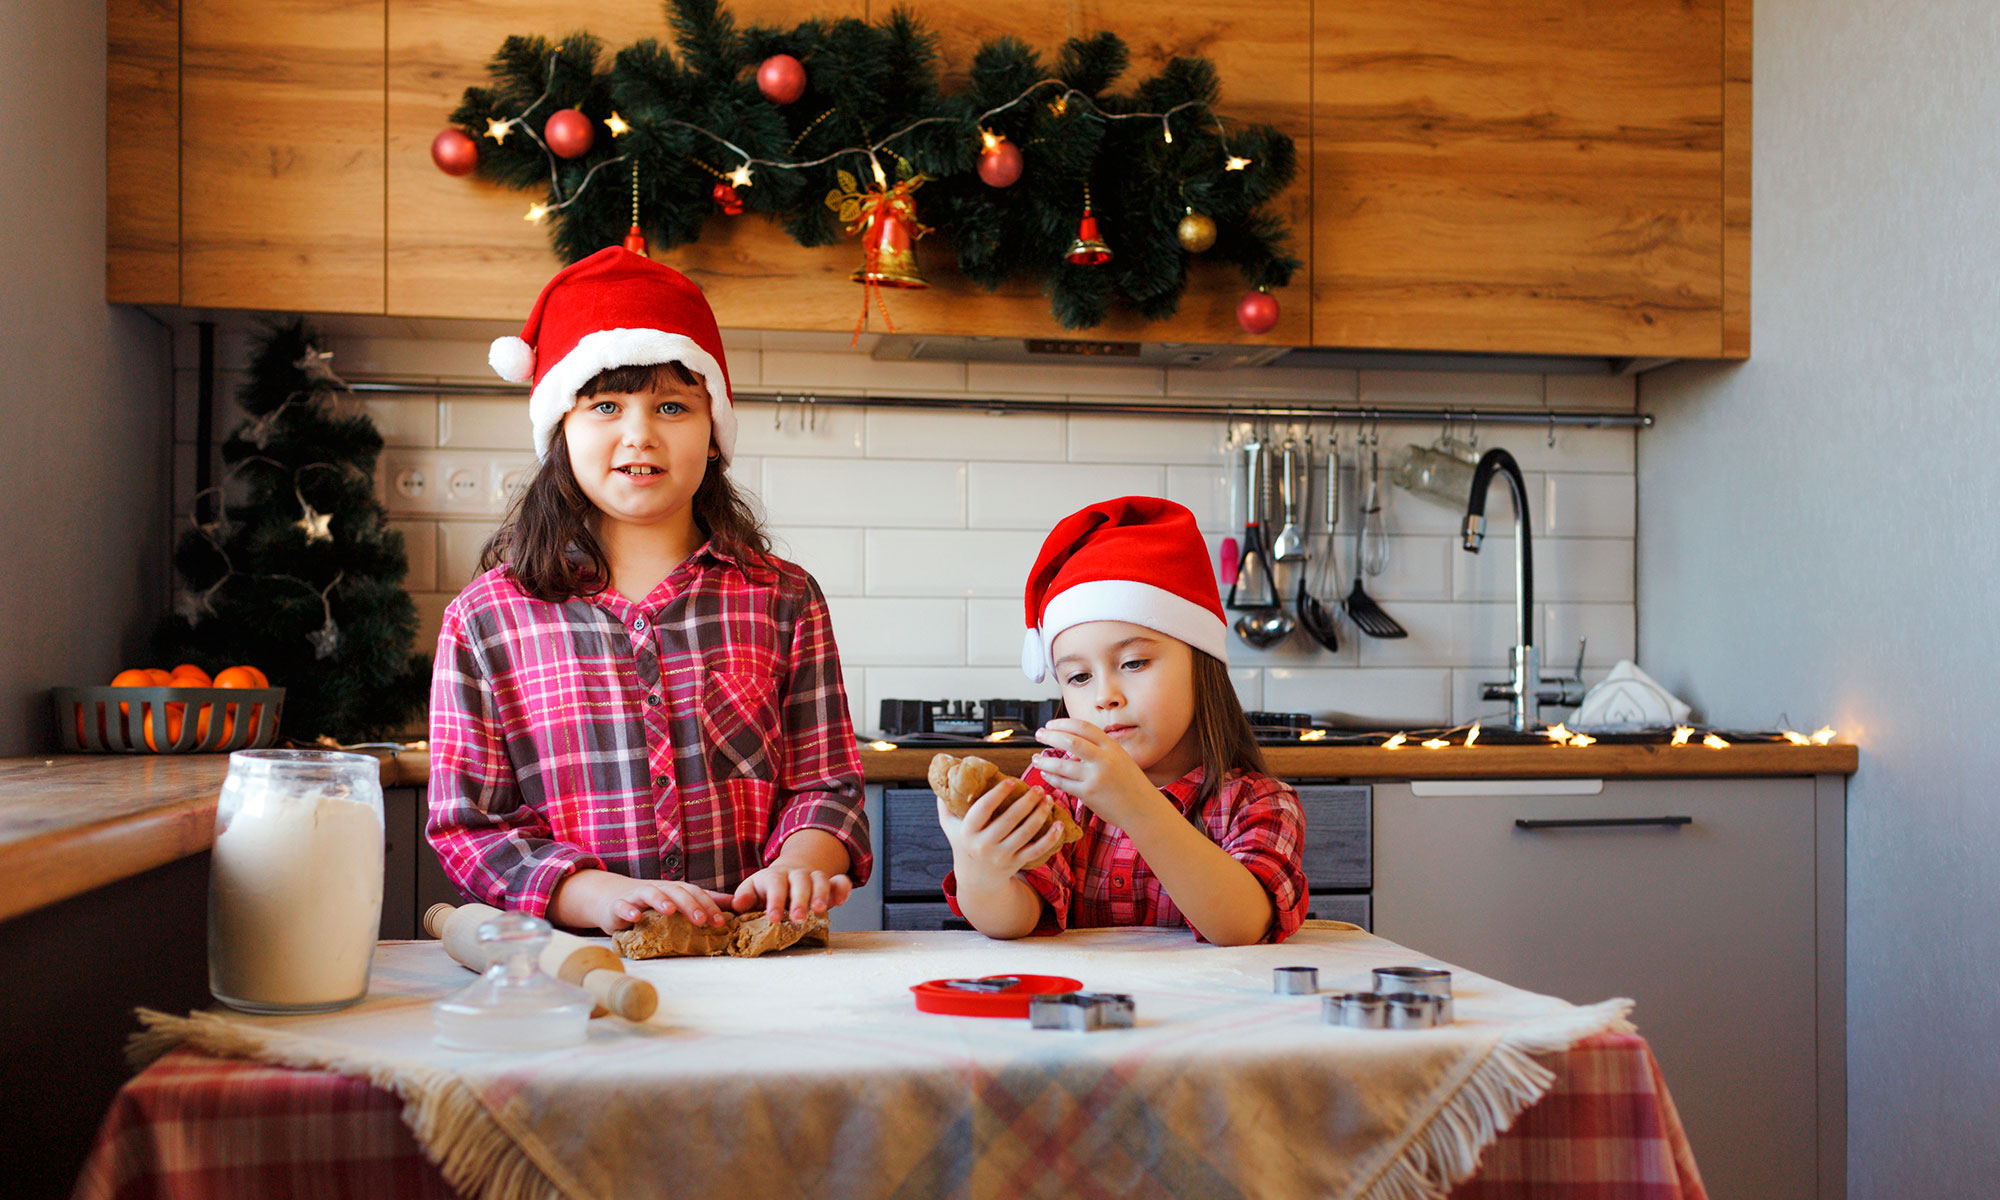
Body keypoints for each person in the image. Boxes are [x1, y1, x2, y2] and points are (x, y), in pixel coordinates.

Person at [427, 247, 869, 937]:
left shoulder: (783, 599)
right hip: (575, 969)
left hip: (754, 967)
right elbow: (470, 828)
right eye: (605, 405)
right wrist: (596, 895)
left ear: (714, 433)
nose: (640, 434)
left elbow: (826, 785)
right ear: (560, 433)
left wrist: (802, 862)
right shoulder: (485, 620)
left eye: (671, 405)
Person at [939, 496, 1308, 945]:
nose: (1105, 696)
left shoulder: (1257, 804)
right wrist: (979, 868)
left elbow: (1242, 926)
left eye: (1133, 663)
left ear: (1202, 664)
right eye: (1078, 676)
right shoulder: (1057, 790)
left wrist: (1137, 806)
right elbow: (1017, 919)